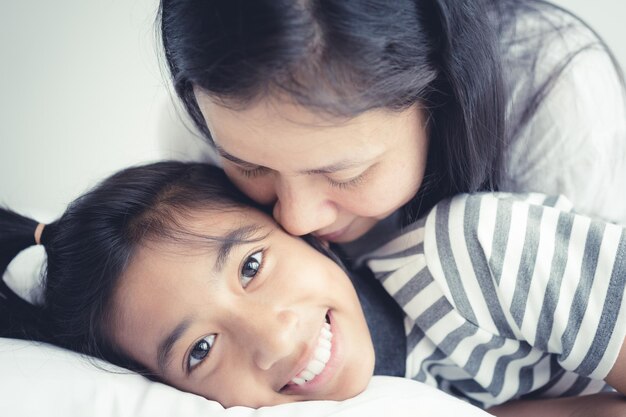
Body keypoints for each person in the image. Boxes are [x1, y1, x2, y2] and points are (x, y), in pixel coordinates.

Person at [158, 0, 626, 386]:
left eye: (345, 174)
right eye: (250, 166)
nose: (296, 220)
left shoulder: (552, 108)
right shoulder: (207, 134)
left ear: (440, 97)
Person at [2, 161, 626, 414]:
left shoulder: (474, 252)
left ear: (307, 234)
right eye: (199, 351)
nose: (272, 338)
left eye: (250, 267)